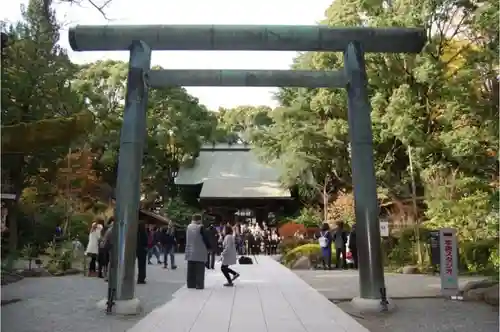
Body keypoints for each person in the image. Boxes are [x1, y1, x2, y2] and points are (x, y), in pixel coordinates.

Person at [185, 213, 210, 289]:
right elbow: (205, 239)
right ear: (199, 220)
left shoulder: (188, 227)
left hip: (189, 251)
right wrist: (209, 247)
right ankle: (199, 285)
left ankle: (190, 284)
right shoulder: (200, 227)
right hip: (199, 251)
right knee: (199, 270)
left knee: (191, 270)